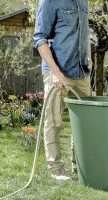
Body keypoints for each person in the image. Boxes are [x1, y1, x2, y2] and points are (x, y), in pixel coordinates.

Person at [33, 0, 92, 181]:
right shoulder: (49, 1)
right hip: (57, 72)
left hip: (81, 72)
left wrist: (89, 56)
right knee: (54, 122)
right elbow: (40, 39)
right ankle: (56, 169)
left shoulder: (83, 2)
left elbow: (85, 33)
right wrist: (55, 72)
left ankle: (81, 167)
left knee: (85, 123)